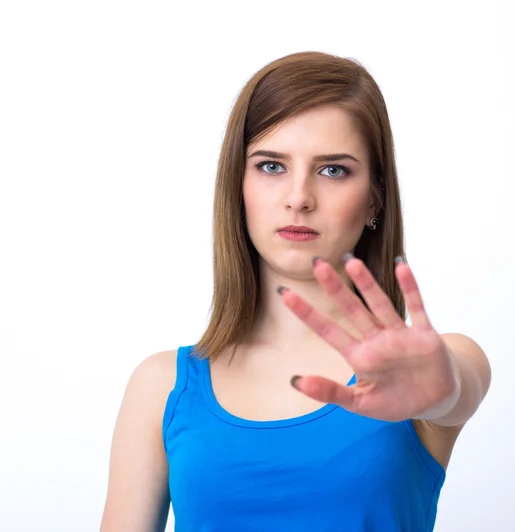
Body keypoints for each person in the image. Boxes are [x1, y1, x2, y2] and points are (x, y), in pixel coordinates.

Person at [100, 51, 492, 532]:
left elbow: (457, 388)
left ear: (374, 197)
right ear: (237, 185)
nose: (298, 197)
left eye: (333, 170)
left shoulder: (428, 366)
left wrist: (443, 391)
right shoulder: (161, 386)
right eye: (270, 166)